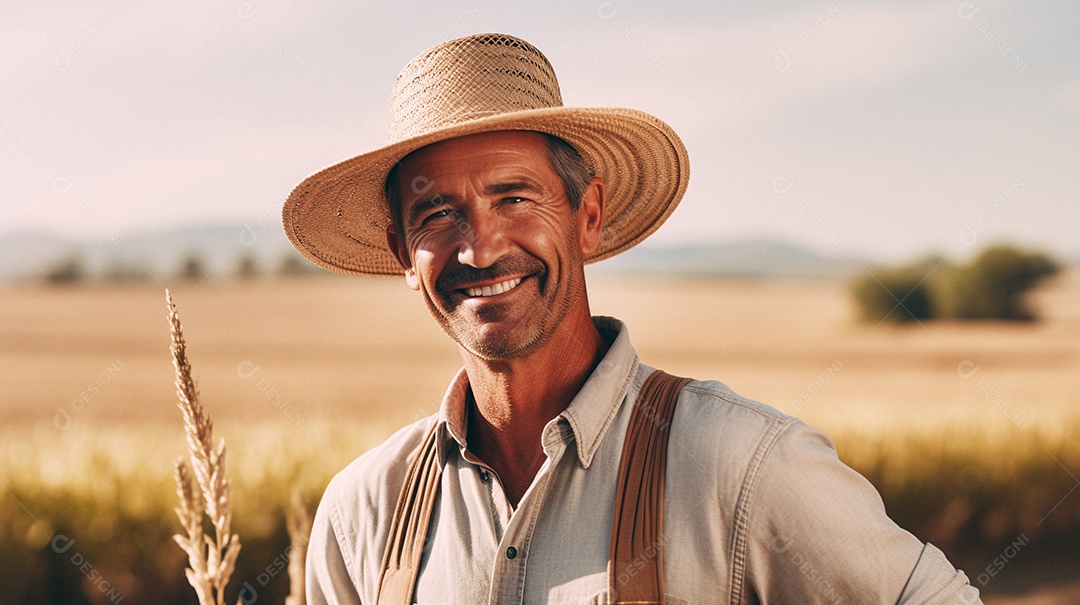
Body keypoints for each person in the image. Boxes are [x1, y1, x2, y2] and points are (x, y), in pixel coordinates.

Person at [284, 33, 982, 604]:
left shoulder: (737, 464)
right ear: (404, 253)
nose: (481, 246)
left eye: (515, 198)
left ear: (587, 216)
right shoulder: (362, 515)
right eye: (438, 213)